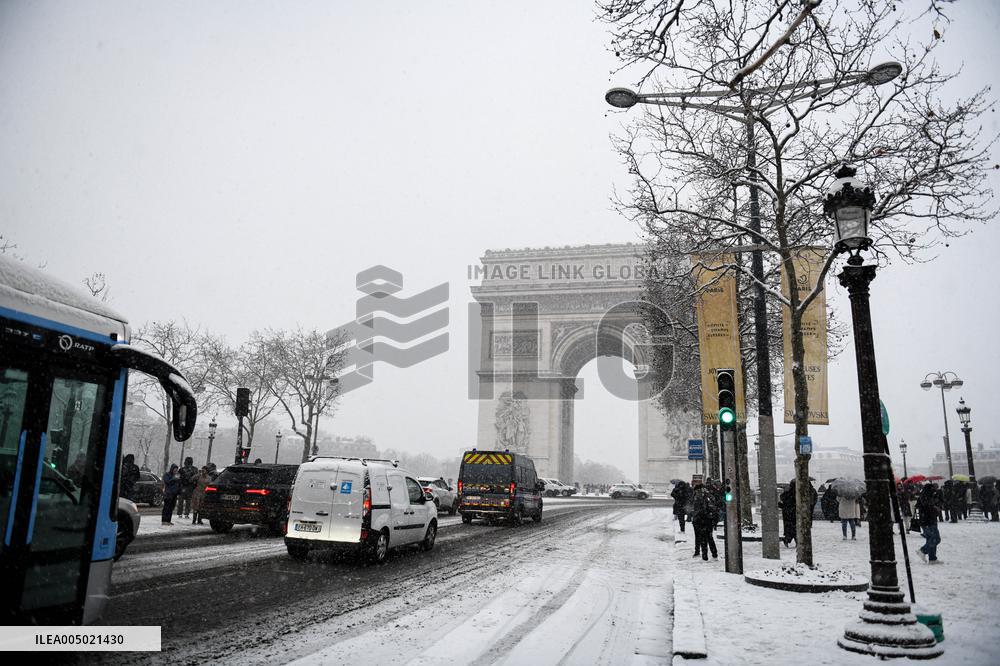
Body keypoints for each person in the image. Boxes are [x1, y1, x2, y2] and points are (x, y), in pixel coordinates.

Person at [916, 483, 943, 563]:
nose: (935, 490)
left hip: (929, 521)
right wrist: (936, 507)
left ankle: (932, 558)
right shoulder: (925, 496)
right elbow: (928, 506)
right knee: (936, 539)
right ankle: (922, 551)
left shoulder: (926, 495)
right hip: (928, 521)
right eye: (934, 489)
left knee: (930, 539)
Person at [691, 483, 719, 560]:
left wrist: (695, 517)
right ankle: (714, 554)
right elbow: (715, 508)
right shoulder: (709, 495)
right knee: (710, 537)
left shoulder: (698, 496)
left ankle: (704, 556)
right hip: (709, 519)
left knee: (702, 538)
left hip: (701, 520)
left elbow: (697, 509)